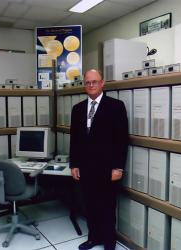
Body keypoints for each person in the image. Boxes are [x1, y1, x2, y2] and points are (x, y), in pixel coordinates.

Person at [69, 69, 128, 250]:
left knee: (107, 207)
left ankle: (109, 242)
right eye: (88, 82)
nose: (91, 85)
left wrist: (118, 167)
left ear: (102, 83)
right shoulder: (77, 109)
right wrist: (74, 164)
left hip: (107, 168)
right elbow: (75, 140)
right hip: (85, 168)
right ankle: (93, 238)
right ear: (84, 85)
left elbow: (121, 139)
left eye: (95, 82)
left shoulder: (116, 106)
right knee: (90, 205)